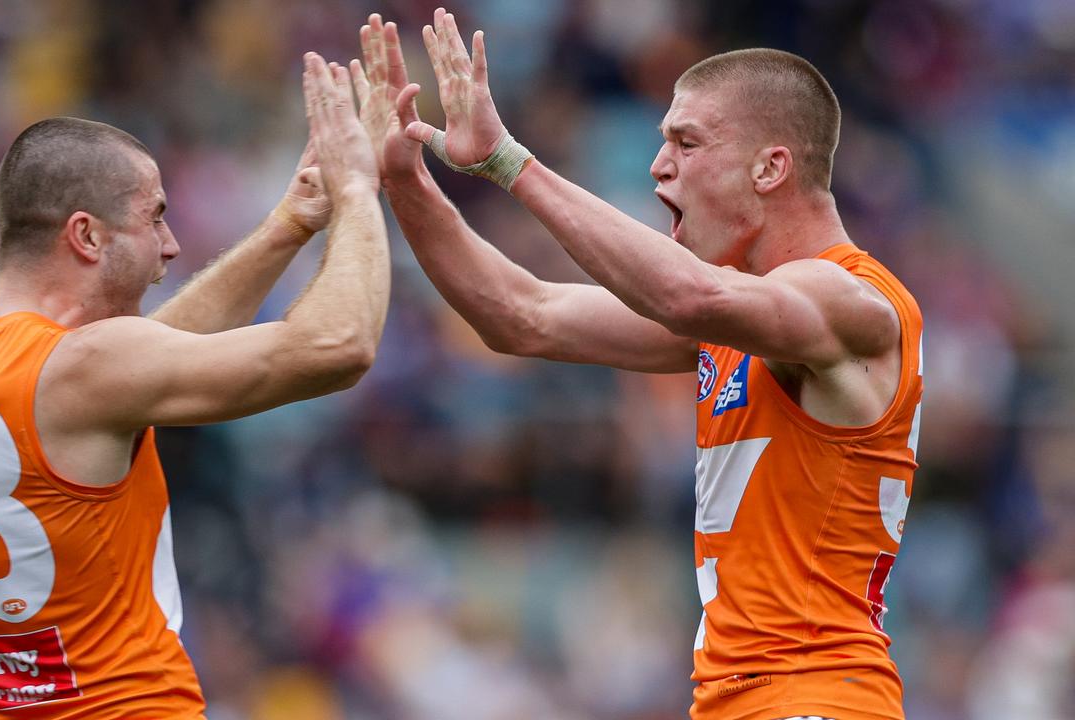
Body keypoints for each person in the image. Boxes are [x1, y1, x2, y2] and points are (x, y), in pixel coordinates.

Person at [350, 10, 922, 720]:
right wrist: (407, 181)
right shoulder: (744, 321)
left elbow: (685, 293)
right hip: (744, 701)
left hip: (816, 698)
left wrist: (508, 162)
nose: (658, 165)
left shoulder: (850, 300)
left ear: (771, 167)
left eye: (686, 142)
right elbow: (520, 315)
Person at [0, 54, 387, 718]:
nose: (173, 243)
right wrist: (357, 187)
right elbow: (340, 345)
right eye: (154, 217)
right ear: (87, 236)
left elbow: (149, 358)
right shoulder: (83, 369)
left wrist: (291, 223)